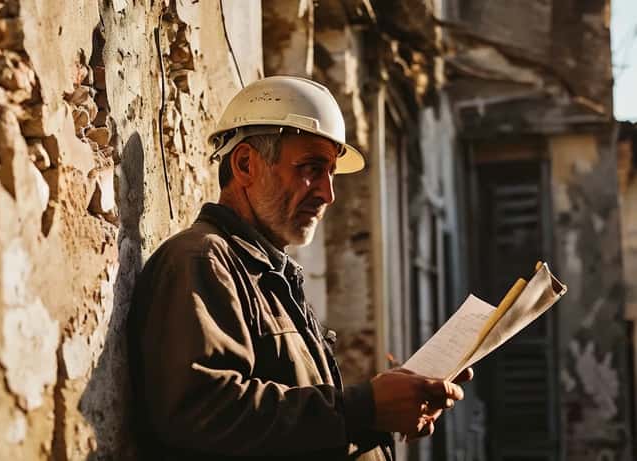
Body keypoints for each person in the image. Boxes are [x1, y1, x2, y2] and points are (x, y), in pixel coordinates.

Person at [128, 76, 472, 460]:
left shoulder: (268, 274)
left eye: (330, 172)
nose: (328, 193)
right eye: (311, 168)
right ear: (245, 164)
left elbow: (300, 428)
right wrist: (363, 408)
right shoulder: (203, 259)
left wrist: (385, 411)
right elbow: (199, 412)